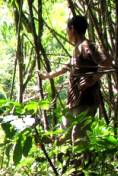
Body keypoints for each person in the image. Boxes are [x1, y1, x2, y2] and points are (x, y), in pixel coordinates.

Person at [38, 15, 113, 145]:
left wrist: (93, 79)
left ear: (72, 29)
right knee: (64, 136)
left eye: (67, 30)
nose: (66, 34)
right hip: (74, 101)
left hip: (85, 100)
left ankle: (82, 164)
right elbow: (63, 69)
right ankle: (65, 160)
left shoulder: (86, 45)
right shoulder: (77, 49)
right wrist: (46, 76)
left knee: (79, 138)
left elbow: (107, 60)